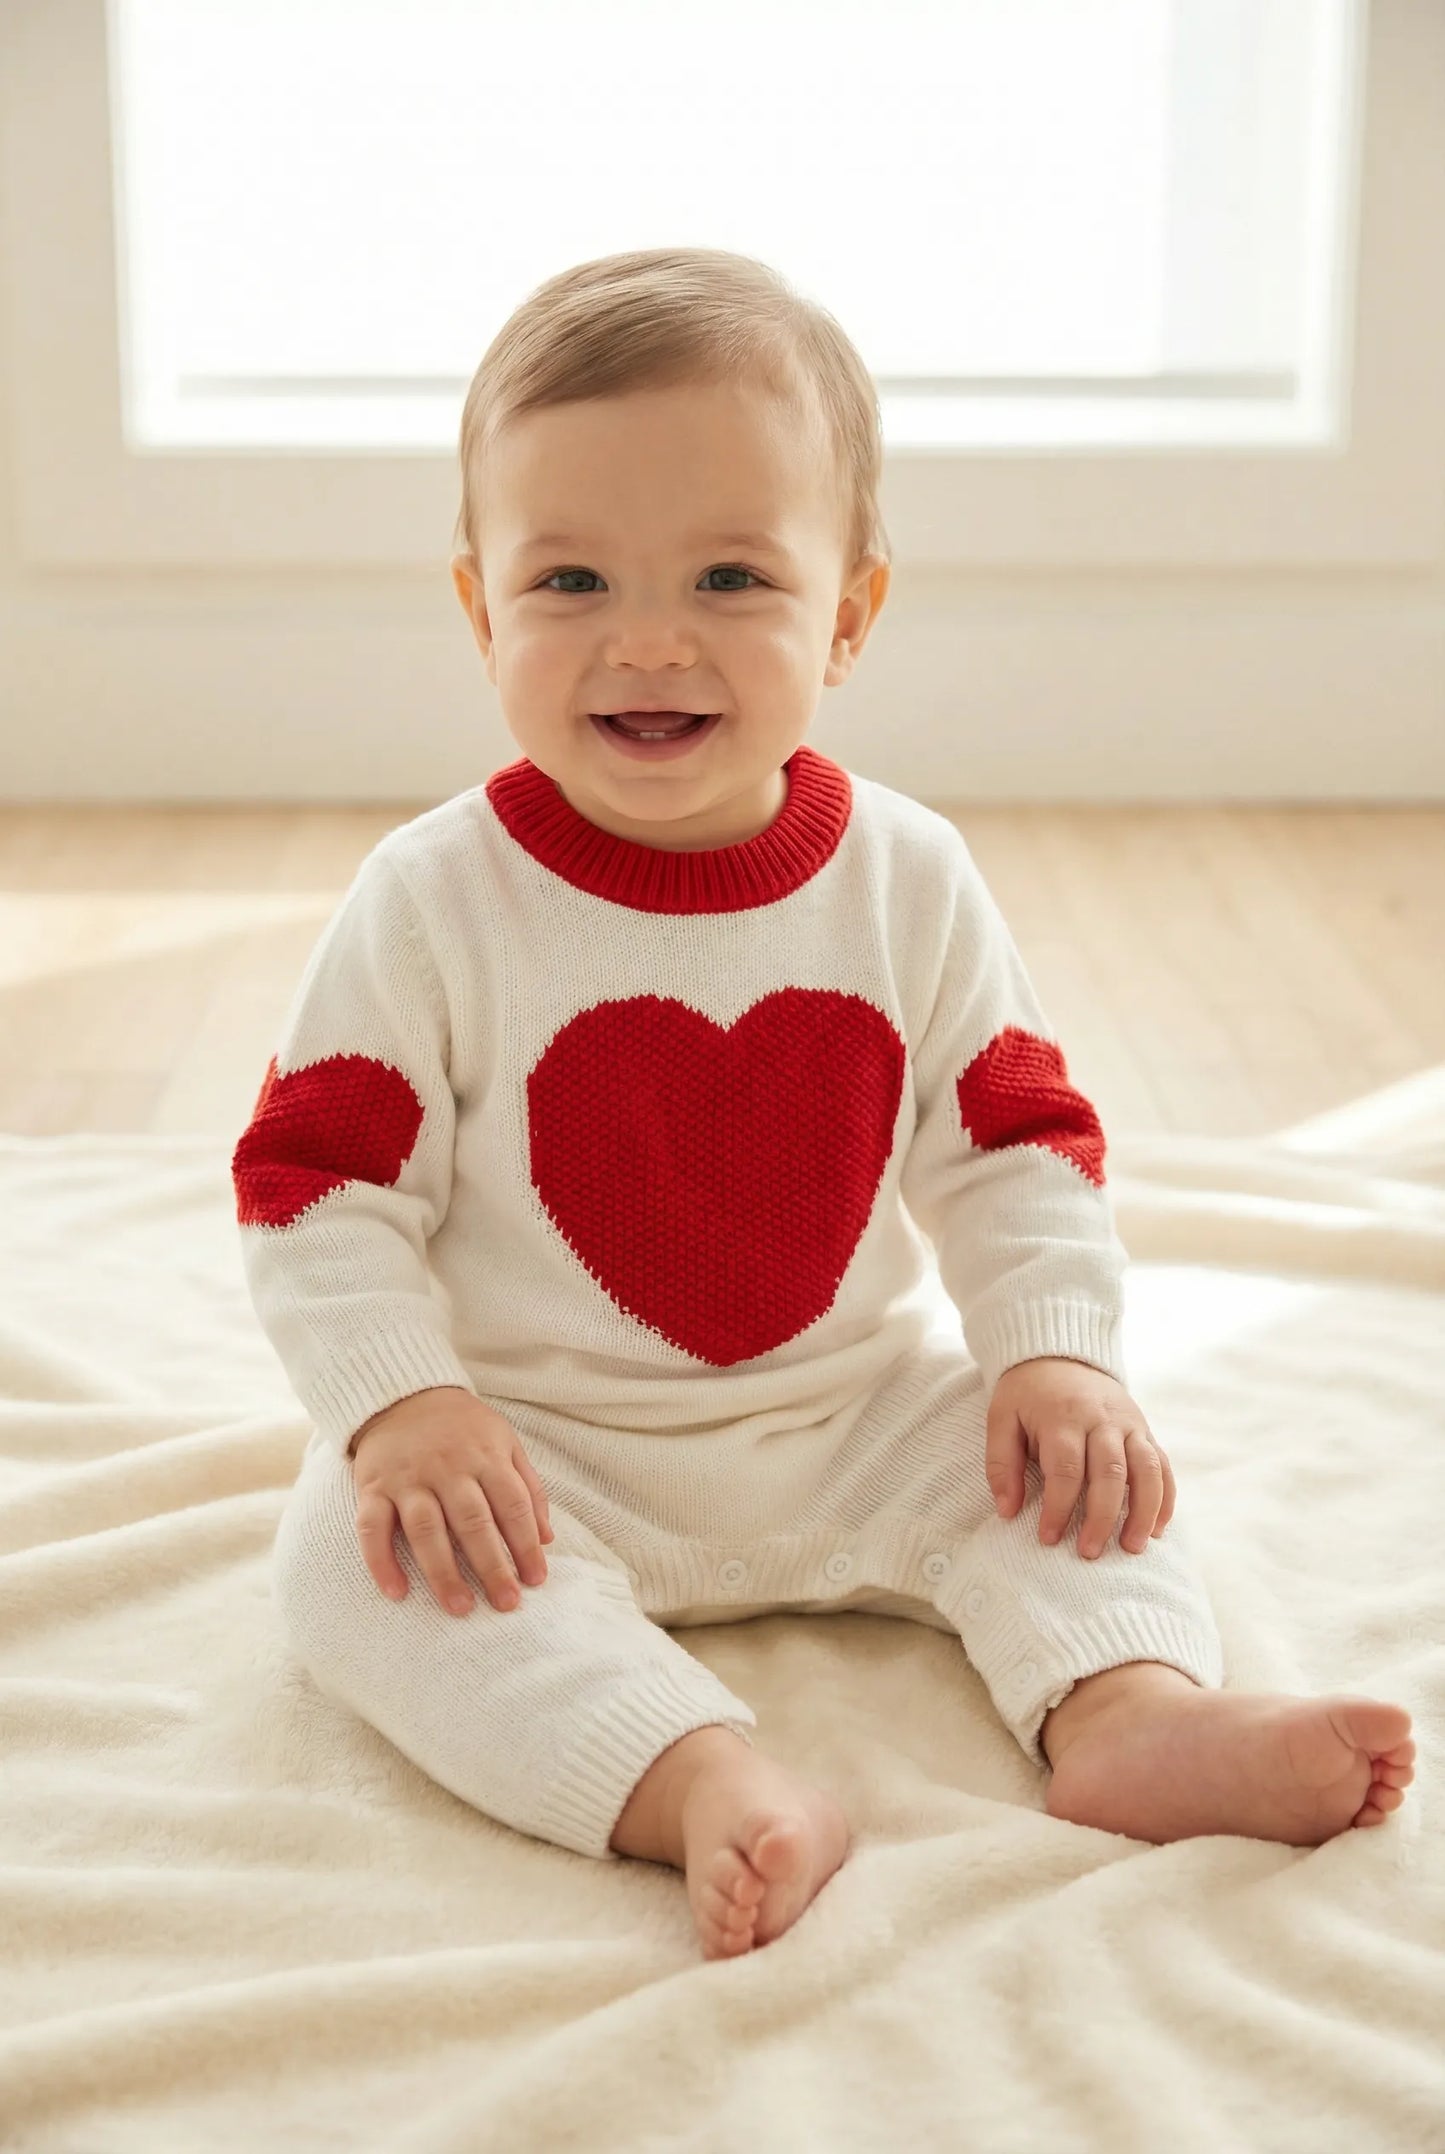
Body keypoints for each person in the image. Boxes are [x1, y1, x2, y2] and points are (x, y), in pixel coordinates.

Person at [234, 247, 1414, 1963]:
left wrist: (1052, 1347)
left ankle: (1125, 1711)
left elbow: (1014, 1136)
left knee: (1074, 1479)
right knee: (351, 1568)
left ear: (847, 615)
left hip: (854, 1408)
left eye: (729, 575)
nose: (648, 638)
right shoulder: (431, 899)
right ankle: (694, 1771)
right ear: (482, 609)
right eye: (569, 579)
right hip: (539, 1443)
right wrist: (401, 1405)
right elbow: (313, 1183)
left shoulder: (905, 876)